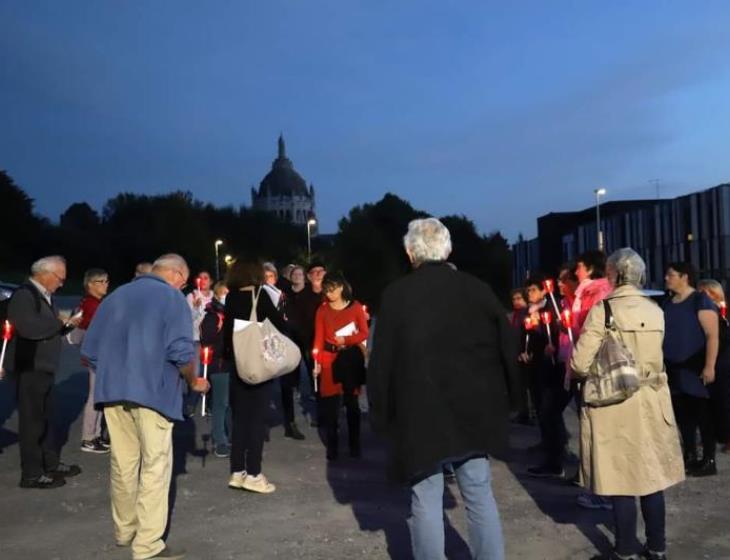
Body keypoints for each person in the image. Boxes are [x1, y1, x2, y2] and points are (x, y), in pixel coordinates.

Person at [368, 218, 516, 560]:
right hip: (474, 410)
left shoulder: (397, 295)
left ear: (410, 253)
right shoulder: (477, 289)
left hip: (421, 413)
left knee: (426, 498)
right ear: (447, 249)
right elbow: (506, 344)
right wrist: (511, 397)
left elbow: (382, 361)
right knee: (479, 492)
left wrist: (380, 412)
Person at [81, 254, 209, 560]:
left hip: (113, 394)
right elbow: (181, 352)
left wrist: (117, 371)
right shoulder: (173, 299)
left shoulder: (115, 297)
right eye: (185, 280)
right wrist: (194, 381)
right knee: (155, 467)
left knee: (123, 464)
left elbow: (90, 350)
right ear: (177, 274)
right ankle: (147, 545)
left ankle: (125, 531)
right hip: (153, 394)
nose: (183, 285)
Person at [571, 248, 684, 560]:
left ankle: (625, 551)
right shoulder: (655, 310)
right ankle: (657, 548)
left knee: (622, 477)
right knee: (652, 476)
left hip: (616, 400)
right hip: (652, 397)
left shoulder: (603, 310)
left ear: (613, 275)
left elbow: (580, 363)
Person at [8, 255, 83, 489]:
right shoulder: (24, 295)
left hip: (44, 368)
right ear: (45, 274)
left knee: (48, 419)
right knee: (32, 422)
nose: (61, 283)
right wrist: (60, 322)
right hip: (30, 368)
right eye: (60, 278)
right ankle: (31, 474)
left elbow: (47, 330)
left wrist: (67, 324)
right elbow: (30, 328)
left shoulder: (42, 295)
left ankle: (49, 464)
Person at [224, 260, 287, 494]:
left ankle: (237, 470)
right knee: (257, 420)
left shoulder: (231, 297)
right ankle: (254, 473)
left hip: (237, 364)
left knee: (240, 419)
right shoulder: (259, 295)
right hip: (257, 363)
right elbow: (279, 325)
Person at [663, 262, 719, 476]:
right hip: (674, 368)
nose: (667, 278)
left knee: (702, 415)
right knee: (682, 415)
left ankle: (709, 459)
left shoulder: (700, 300)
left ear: (684, 277)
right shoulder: (668, 302)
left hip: (694, 367)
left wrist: (709, 366)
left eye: (671, 274)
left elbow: (711, 335)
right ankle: (689, 455)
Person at [312, 271, 369, 460]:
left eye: (332, 290)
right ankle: (333, 445)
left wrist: (347, 339)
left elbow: (364, 333)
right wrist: (317, 362)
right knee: (330, 405)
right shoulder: (322, 310)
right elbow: (318, 338)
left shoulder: (356, 307)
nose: (329, 294)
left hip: (351, 357)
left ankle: (355, 444)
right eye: (326, 290)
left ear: (342, 287)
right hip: (330, 357)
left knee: (352, 404)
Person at [78, 268, 111, 454]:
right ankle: (88, 437)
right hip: (97, 355)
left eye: (107, 281)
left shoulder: (97, 303)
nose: (106, 285)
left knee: (100, 396)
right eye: (102, 281)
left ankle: (96, 434)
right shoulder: (91, 304)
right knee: (95, 397)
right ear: (90, 284)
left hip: (101, 355)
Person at [697, 279, 730, 453]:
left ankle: (726, 436)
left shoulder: (719, 310)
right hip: (708, 357)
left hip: (723, 358)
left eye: (704, 292)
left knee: (723, 400)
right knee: (708, 402)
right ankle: (712, 435)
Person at [200, 281, 231, 458]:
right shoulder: (213, 316)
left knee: (230, 403)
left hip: (231, 364)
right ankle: (220, 440)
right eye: (224, 293)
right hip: (219, 365)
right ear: (217, 296)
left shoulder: (230, 314)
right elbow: (208, 341)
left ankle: (230, 434)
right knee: (221, 403)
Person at [185, 270, 213, 416]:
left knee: (211, 371)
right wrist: (195, 308)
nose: (203, 280)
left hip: (211, 339)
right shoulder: (192, 296)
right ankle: (191, 402)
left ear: (211, 281)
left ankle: (209, 403)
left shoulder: (215, 296)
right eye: (200, 278)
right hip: (196, 339)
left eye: (206, 278)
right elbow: (187, 319)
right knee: (197, 371)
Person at [509, 288, 532, 424]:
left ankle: (530, 413)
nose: (516, 302)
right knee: (520, 386)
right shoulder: (514, 315)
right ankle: (523, 412)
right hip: (516, 354)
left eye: (519, 299)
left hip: (526, 354)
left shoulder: (528, 314)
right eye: (514, 299)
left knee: (528, 386)